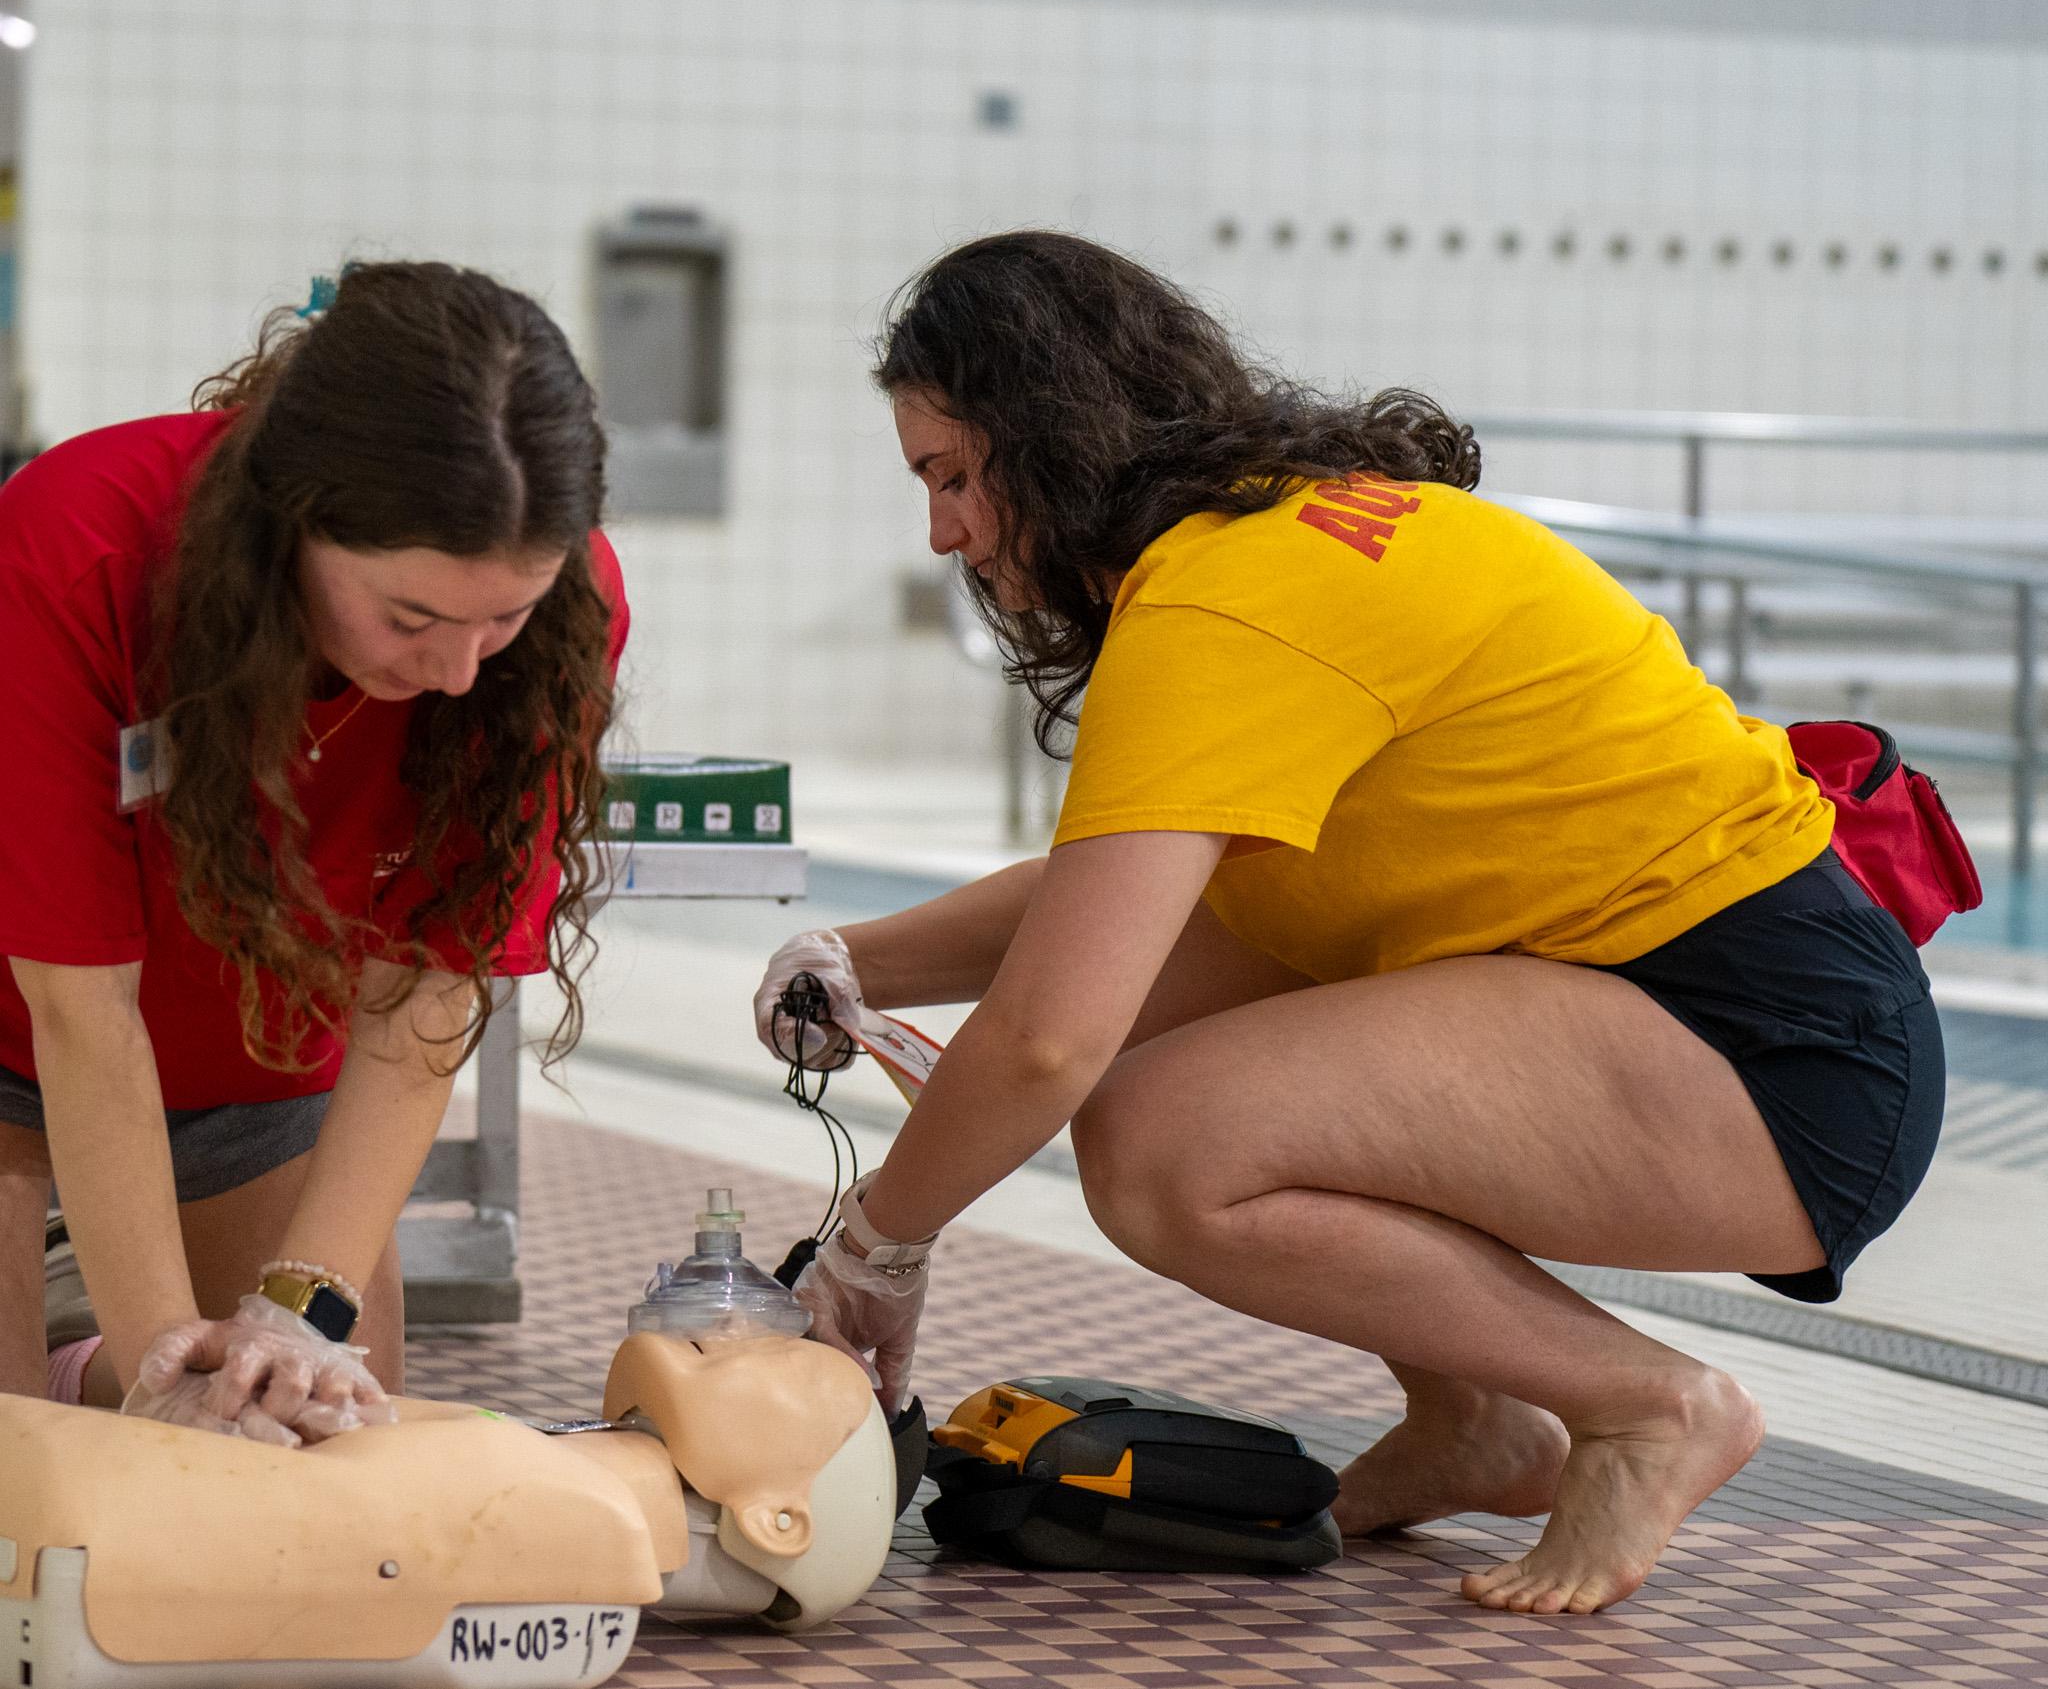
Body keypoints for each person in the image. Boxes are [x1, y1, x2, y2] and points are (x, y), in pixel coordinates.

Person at [753, 231, 1943, 1614]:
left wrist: (877, 1250)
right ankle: (1479, 1426)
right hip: (1764, 1010)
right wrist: (853, 962)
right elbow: (1108, 901)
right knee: (1240, 987)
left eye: (953, 477)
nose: (945, 533)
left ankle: (1651, 1404)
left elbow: (1045, 1043)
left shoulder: (1218, 603)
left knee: (1162, 1137)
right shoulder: (1285, 531)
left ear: (1055, 438)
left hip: (1773, 1059)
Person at [0, 261, 627, 1445]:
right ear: (292, 526)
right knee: (33, 1470)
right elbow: (82, 1017)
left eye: (504, 617)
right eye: (409, 618)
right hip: (18, 1026)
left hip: (256, 1055)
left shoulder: (562, 620)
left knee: (312, 1432)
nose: (457, 670)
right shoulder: (75, 549)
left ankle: (87, 1359)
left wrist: (299, 1312)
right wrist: (160, 1367)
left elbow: (427, 1000)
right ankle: (87, 1360)